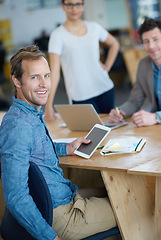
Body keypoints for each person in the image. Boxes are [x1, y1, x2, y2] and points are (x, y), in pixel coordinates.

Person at [0, 45, 117, 240]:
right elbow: (15, 197)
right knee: (133, 204)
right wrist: (50, 237)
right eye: (34, 77)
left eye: (47, 75)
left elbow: (34, 151)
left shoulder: (29, 113)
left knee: (112, 190)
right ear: (16, 80)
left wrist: (67, 148)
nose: (44, 84)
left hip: (62, 196)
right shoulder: (18, 127)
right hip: (60, 215)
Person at [44, 0, 119, 121]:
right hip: (80, 95)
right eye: (69, 4)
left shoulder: (94, 27)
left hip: (105, 88)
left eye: (78, 4)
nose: (74, 8)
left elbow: (114, 44)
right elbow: (55, 73)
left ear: (83, 6)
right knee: (90, 135)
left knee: (111, 129)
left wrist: (107, 67)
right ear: (63, 6)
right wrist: (48, 105)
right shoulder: (57, 35)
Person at [108, 18, 161, 127]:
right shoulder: (144, 64)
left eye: (155, 39)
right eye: (146, 41)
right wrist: (120, 112)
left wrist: (156, 117)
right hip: (151, 127)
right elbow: (135, 101)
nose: (151, 46)